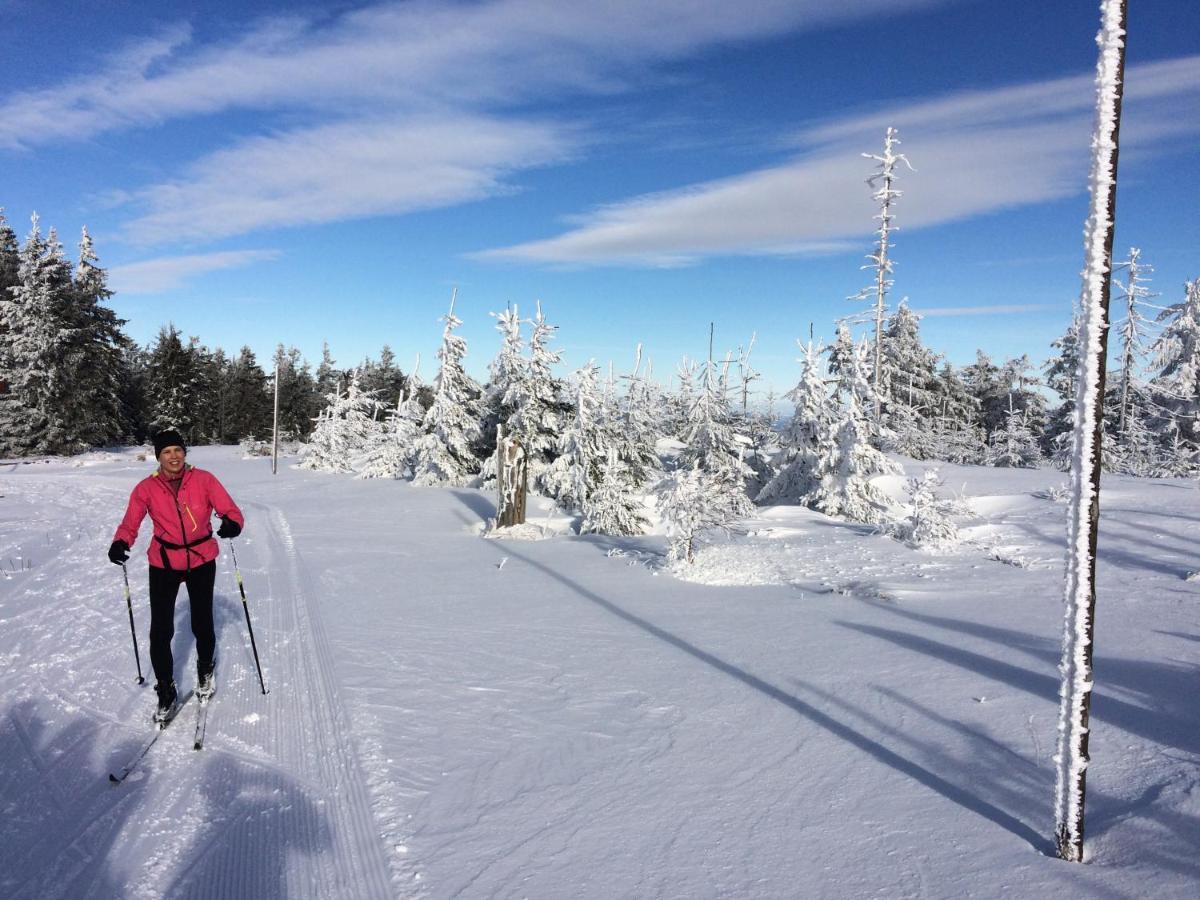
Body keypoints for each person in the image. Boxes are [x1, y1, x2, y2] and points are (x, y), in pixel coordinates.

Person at [108, 430, 244, 723]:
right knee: (160, 631)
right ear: (158, 456)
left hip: (201, 558)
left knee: (202, 621)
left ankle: (205, 668)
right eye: (167, 451)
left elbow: (228, 508)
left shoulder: (204, 479)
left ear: (184, 453)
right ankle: (166, 689)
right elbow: (131, 521)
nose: (173, 456)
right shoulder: (146, 488)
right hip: (164, 561)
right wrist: (121, 541)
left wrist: (232, 522)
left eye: (178, 450)